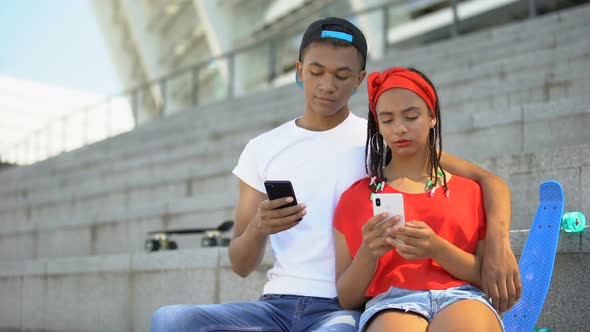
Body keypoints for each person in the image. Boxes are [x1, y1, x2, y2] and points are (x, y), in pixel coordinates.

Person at [151, 18, 518, 332]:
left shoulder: (380, 141)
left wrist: (498, 245)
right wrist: (259, 228)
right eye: (316, 72)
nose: (328, 85)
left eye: (342, 75)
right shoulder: (262, 148)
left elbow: (489, 181)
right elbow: (240, 263)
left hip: (340, 308)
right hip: (275, 306)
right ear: (299, 71)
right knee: (169, 320)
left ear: (359, 80)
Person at [333, 67, 506, 331]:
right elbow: (347, 298)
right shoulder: (355, 198)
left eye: (411, 116)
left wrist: (437, 248)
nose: (400, 128)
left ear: (432, 117)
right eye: (387, 120)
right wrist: (368, 253)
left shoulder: (468, 190)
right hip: (391, 302)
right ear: (377, 125)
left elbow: (483, 274)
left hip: (462, 295)